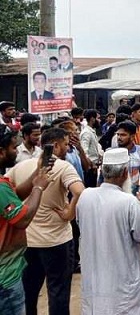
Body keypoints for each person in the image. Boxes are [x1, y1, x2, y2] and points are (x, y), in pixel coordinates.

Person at [6, 127, 85, 315]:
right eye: (66, 144)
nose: (67, 148)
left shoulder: (21, 166)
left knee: (29, 291)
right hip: (57, 241)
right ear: (56, 145)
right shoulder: (63, 167)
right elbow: (80, 191)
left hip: (28, 241)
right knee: (58, 291)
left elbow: (8, 191)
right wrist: (69, 213)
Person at [76, 148, 140, 314]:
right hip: (122, 285)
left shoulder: (85, 196)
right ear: (125, 173)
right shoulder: (129, 202)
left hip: (95, 282)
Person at [0, 125, 51, 315]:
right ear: (1, 151)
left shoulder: (4, 187)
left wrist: (36, 173)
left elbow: (14, 197)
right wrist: (38, 188)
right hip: (6, 278)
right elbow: (22, 219)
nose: (16, 151)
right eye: (13, 148)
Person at [107, 120, 140, 195]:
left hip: (133, 192)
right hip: (114, 193)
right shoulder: (110, 152)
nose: (119, 138)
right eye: (118, 134)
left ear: (132, 136)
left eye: (123, 135)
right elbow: (102, 177)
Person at [80, 109, 101, 188]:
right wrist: (91, 164)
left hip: (93, 168)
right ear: (92, 119)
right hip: (89, 169)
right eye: (98, 118)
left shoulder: (91, 131)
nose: (99, 120)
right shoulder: (86, 133)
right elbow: (84, 152)